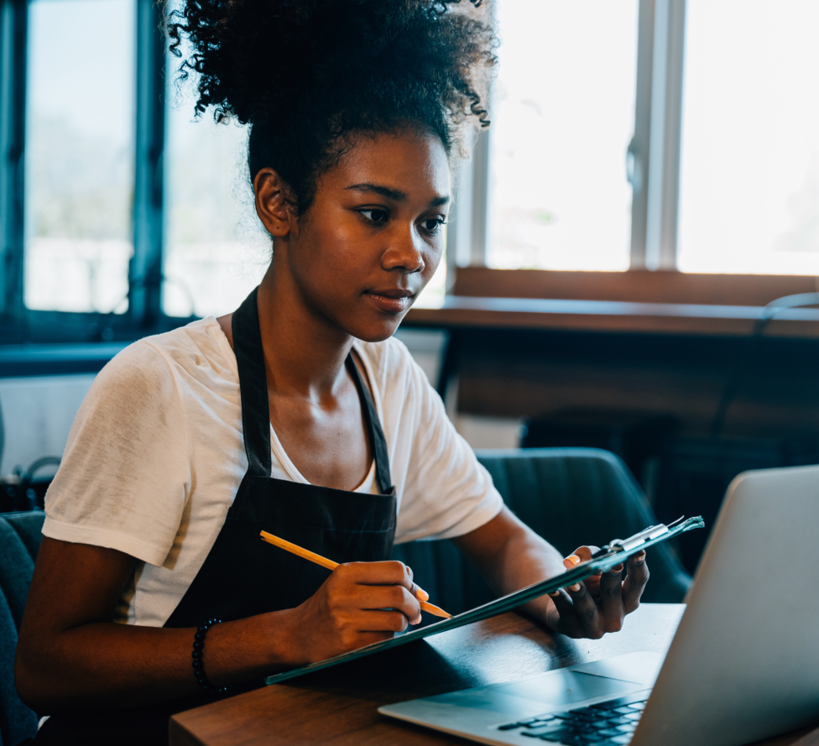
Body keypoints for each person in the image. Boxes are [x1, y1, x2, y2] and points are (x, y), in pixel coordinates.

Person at [13, 1, 649, 742]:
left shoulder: (389, 380)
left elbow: (505, 540)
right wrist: (284, 636)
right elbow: (45, 666)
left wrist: (559, 592)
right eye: (375, 213)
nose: (412, 254)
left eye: (431, 221)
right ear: (278, 203)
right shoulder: (160, 388)